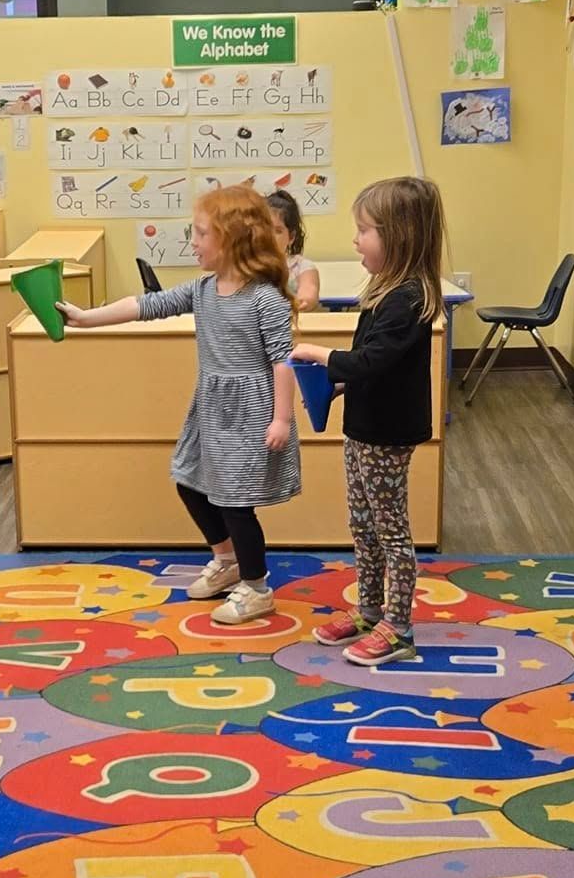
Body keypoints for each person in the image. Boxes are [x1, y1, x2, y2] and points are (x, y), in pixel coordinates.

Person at [59, 184, 298, 624]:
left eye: (201, 233)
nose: (193, 242)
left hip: (250, 411)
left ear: (231, 239)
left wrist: (281, 418)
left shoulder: (265, 298)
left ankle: (257, 587)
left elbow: (282, 361)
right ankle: (226, 562)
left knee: (234, 501)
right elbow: (149, 304)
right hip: (211, 407)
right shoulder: (204, 289)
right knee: (189, 481)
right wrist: (87, 318)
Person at [291, 176, 446, 668]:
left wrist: (317, 353)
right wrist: (338, 386)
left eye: (365, 230)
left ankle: (398, 627)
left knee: (391, 531)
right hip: (364, 425)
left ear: (398, 235)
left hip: (386, 432)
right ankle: (370, 609)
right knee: (363, 525)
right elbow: (372, 364)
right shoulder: (386, 291)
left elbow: (369, 361)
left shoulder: (408, 299)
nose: (356, 240)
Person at [265, 189, 320, 308]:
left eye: (278, 231)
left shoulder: (302, 267)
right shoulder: (246, 266)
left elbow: (308, 293)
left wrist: (303, 301)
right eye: (264, 228)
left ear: (291, 237)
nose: (269, 236)